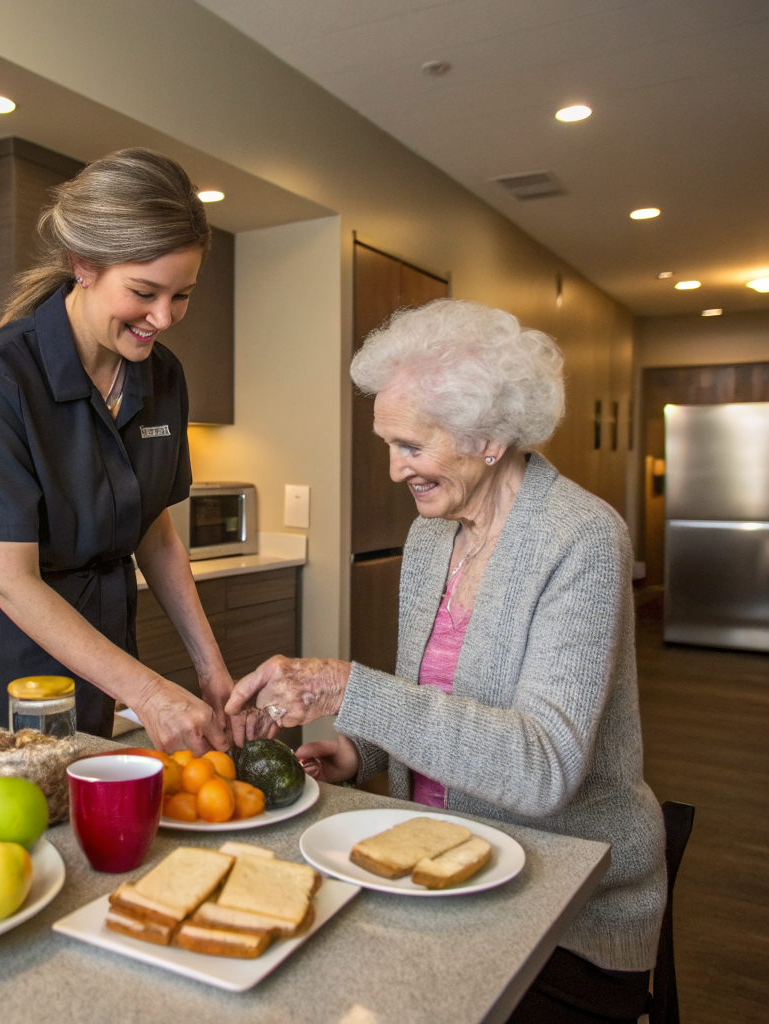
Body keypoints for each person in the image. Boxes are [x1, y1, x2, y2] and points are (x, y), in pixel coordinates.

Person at [225, 298, 667, 1023]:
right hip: (423, 868)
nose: (395, 470)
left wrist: (345, 686)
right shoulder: (432, 535)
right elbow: (431, 694)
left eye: (410, 446)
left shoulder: (581, 538)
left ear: (488, 438)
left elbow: (542, 768)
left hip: (563, 909)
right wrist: (357, 747)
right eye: (387, 444)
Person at [0, 149, 232, 755]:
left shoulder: (161, 376)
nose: (163, 317)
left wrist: (209, 668)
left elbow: (155, 533)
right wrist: (149, 692)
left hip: (96, 670)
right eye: (144, 292)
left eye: (182, 295)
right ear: (83, 264)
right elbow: (13, 584)